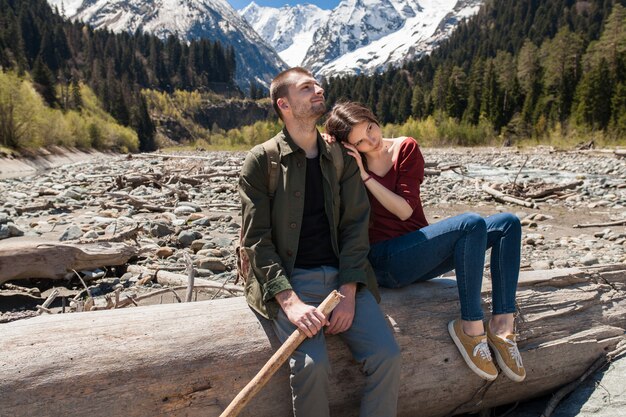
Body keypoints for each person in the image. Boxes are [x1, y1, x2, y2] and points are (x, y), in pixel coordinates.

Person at [323, 101, 525, 383]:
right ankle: (470, 328)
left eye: (370, 128)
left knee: (508, 224)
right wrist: (357, 169)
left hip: (418, 250)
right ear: (350, 146)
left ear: (373, 118)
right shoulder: (350, 165)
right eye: (360, 141)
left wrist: (366, 177)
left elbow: (406, 209)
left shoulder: (405, 147)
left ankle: (503, 326)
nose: (371, 139)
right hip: (384, 261)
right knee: (471, 223)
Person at [238, 69, 401, 417]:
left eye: (317, 84)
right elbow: (256, 239)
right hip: (290, 278)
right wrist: (290, 301)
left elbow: (357, 225)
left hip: (343, 277)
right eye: (306, 88)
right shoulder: (262, 160)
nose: (319, 90)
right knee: (312, 367)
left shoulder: (338, 156)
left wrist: (350, 290)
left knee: (387, 355)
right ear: (284, 104)